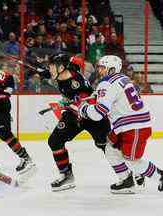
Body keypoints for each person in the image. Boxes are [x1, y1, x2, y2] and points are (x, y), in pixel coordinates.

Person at [77, 55, 163, 193]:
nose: (99, 71)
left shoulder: (106, 83)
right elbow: (111, 96)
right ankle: (126, 180)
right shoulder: (123, 79)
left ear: (111, 69)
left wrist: (82, 109)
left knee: (132, 161)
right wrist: (94, 97)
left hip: (133, 126)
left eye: (102, 68)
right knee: (110, 148)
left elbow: (98, 114)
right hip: (130, 125)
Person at [45, 53, 111, 192]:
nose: (49, 70)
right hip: (74, 115)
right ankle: (67, 175)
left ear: (61, 68)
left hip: (91, 115)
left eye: (51, 67)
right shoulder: (64, 73)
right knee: (55, 141)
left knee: (107, 146)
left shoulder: (76, 81)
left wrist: (68, 103)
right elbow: (56, 71)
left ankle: (131, 171)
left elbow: (86, 103)